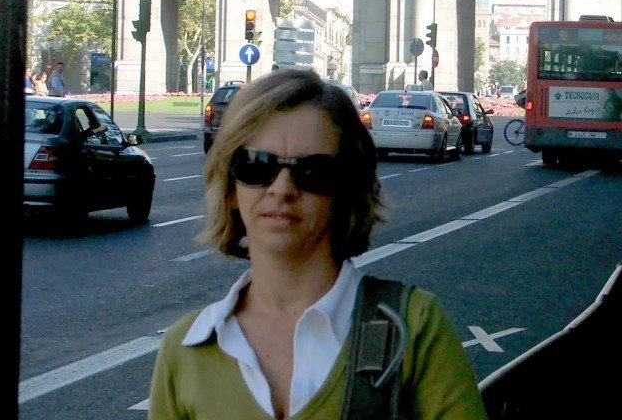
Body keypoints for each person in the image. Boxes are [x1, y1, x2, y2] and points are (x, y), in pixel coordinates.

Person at [147, 69, 487, 420]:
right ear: (230, 188)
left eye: (313, 171)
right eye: (256, 165)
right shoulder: (184, 349)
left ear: (347, 190)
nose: (281, 189)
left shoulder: (413, 327)